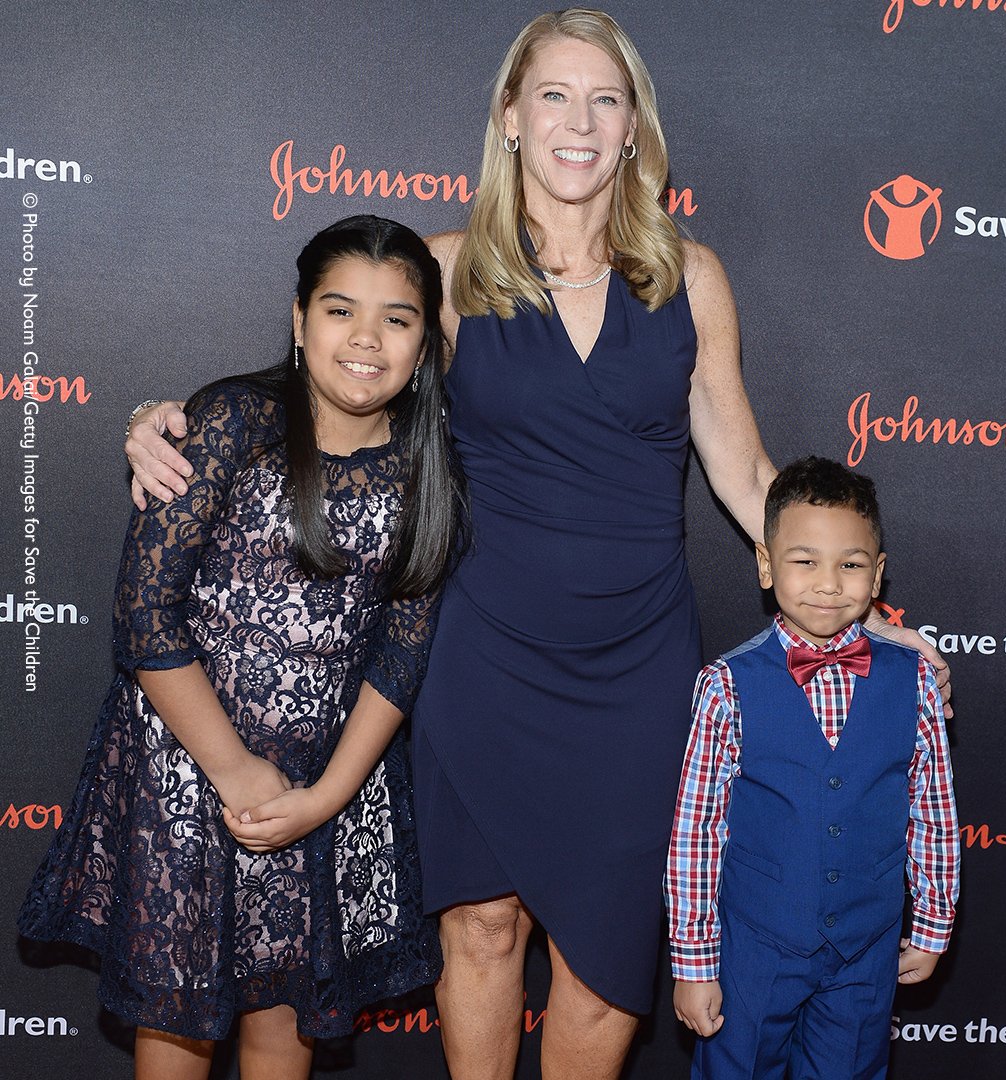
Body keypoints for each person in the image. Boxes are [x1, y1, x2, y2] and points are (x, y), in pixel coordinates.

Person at [123, 11, 950, 1079]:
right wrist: (162, 416)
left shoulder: (689, 278)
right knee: (480, 930)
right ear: (511, 118)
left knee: (608, 967)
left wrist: (871, 613)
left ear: (633, 128)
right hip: (483, 652)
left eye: (605, 99)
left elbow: (748, 478)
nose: (578, 121)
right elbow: (332, 382)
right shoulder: (448, 271)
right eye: (554, 95)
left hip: (637, 664)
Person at [20, 215, 467, 1080]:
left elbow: (402, 655)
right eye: (340, 310)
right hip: (191, 776)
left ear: (425, 342)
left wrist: (323, 798)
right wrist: (233, 770)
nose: (366, 339)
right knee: (180, 1026)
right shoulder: (235, 422)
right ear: (299, 320)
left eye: (398, 318)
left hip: (326, 790)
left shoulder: (429, 472)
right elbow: (146, 613)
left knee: (281, 1023)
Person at [666, 456, 959, 1080]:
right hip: (754, 952)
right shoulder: (726, 686)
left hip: (866, 949)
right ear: (766, 566)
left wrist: (933, 925)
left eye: (850, 564)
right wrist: (694, 963)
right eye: (804, 561)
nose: (829, 583)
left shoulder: (917, 686)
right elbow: (696, 832)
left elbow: (932, 813)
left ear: (877, 575)